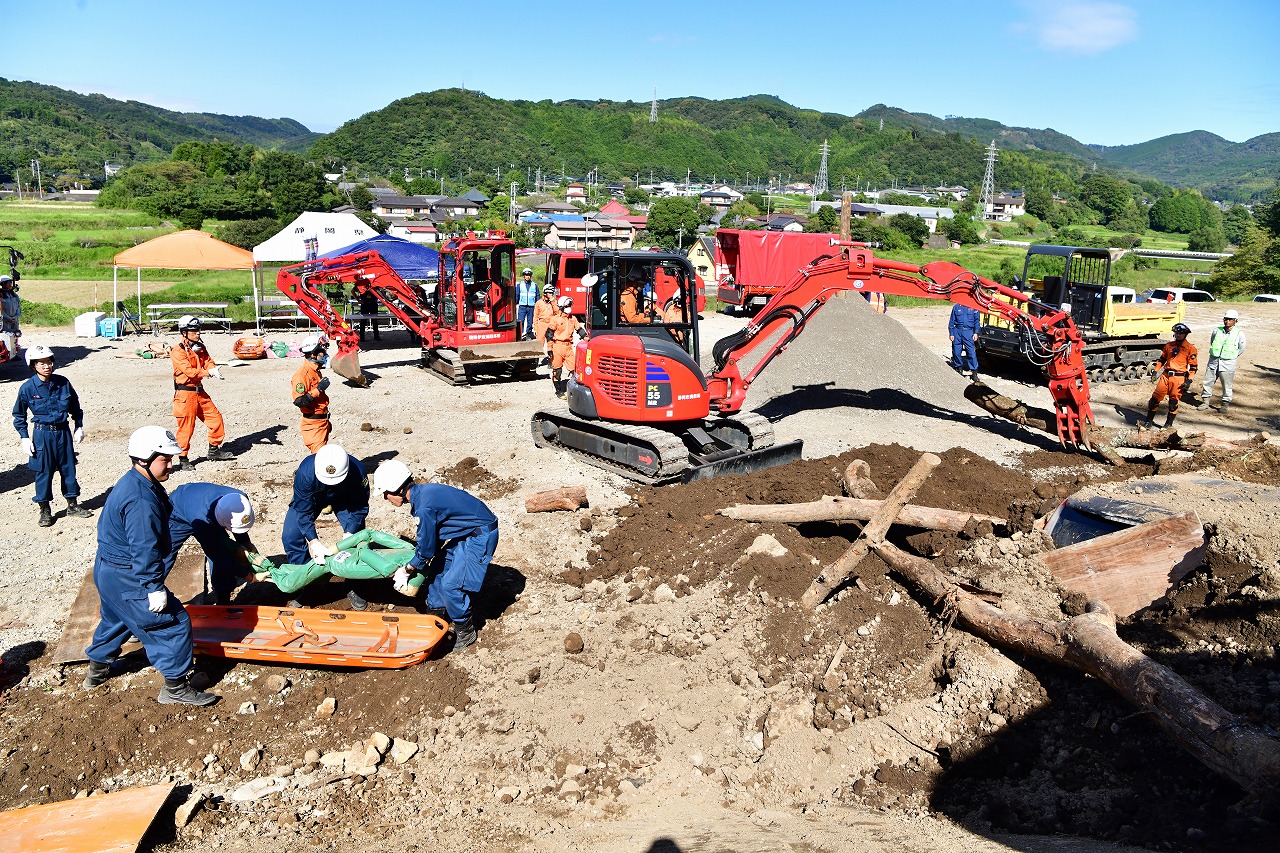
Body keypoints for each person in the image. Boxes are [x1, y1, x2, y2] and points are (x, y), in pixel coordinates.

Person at [83, 426, 218, 706]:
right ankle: (175, 688)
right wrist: (153, 587)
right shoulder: (141, 500)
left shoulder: (137, 482)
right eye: (165, 459)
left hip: (109, 570)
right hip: (129, 574)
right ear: (144, 459)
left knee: (118, 617)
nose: (171, 464)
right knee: (174, 623)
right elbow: (144, 548)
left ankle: (96, 671)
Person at [372, 459, 498, 650]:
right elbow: (432, 539)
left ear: (397, 489)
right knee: (437, 571)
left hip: (480, 534)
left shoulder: (424, 507)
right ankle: (435, 619)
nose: (385, 498)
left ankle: (466, 631)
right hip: (465, 531)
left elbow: (427, 549)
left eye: (385, 493)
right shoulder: (423, 494)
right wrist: (419, 560)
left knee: (450, 586)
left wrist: (407, 570)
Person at [281, 443, 370, 609]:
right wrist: (314, 542)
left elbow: (360, 507)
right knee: (291, 536)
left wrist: (350, 533)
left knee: (358, 539)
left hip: (345, 499)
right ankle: (308, 584)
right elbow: (302, 511)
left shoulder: (357, 471)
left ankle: (354, 585)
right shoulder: (306, 472)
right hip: (314, 497)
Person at [13, 345, 93, 527]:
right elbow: (19, 415)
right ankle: (44, 510)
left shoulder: (63, 383)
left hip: (63, 432)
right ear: (33, 365)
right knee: (44, 472)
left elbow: (75, 407)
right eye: (42, 363)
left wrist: (78, 426)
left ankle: (72, 505)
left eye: (49, 362)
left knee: (68, 469)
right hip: (42, 435)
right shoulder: (27, 388)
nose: (47, 366)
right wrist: (24, 437)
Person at [167, 484, 268, 605]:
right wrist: (251, 577)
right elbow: (218, 555)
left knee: (225, 552)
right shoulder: (204, 523)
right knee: (164, 553)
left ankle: (223, 596)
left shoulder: (240, 499)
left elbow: (238, 526)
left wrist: (246, 543)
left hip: (202, 508)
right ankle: (150, 592)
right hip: (179, 510)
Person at [171, 315, 232, 471]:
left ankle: (214, 451)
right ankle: (183, 459)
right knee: (186, 428)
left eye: (198, 330)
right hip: (185, 395)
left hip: (200, 392)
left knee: (215, 419)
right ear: (184, 332)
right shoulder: (178, 351)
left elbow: (208, 360)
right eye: (194, 330)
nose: (198, 333)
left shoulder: (200, 347)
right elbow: (190, 372)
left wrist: (213, 368)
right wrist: (208, 373)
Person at [1145, 322, 1198, 430]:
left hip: (1178, 378)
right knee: (1154, 399)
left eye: (1180, 333)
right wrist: (1155, 371)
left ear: (1185, 335)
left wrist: (1189, 381)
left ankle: (1168, 425)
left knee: (1173, 402)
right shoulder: (1169, 346)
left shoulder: (1190, 349)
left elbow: (1193, 367)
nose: (1178, 335)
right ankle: (1148, 421)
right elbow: (1162, 359)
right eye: (1176, 333)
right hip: (1165, 376)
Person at [1198, 308, 1246, 414]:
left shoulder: (1239, 334)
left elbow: (1241, 348)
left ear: (1235, 321)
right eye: (1225, 319)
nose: (1227, 321)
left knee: (1226, 384)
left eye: (1230, 319)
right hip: (1214, 361)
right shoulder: (1217, 330)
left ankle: (1225, 404)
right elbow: (1212, 341)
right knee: (1208, 381)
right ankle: (1205, 402)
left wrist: (1231, 356)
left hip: (1228, 363)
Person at [292, 334, 332, 453]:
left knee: (321, 457)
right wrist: (318, 390)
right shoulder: (302, 375)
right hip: (313, 425)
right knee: (320, 459)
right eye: (322, 352)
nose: (325, 355)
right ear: (313, 354)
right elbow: (299, 401)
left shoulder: (315, 371)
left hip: (322, 421)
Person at [545, 295, 583, 399]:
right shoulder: (556, 319)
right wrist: (549, 348)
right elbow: (549, 334)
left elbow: (580, 330)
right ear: (561, 307)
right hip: (557, 347)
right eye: (567, 306)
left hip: (568, 347)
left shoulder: (572, 319)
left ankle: (576, 390)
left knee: (574, 369)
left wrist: (587, 339)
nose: (569, 308)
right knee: (557, 370)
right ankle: (558, 391)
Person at [947, 303, 981, 381]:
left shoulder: (974, 307)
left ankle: (974, 372)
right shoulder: (957, 307)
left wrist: (976, 333)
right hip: (957, 331)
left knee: (971, 352)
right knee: (956, 351)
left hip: (969, 332)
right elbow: (951, 321)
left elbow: (977, 321)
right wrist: (951, 333)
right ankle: (958, 368)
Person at [533, 283, 558, 362]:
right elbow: (535, 316)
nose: (551, 294)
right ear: (545, 293)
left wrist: (553, 301)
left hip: (550, 325)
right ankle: (536, 361)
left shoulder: (554, 302)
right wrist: (535, 328)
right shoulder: (539, 303)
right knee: (539, 343)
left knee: (551, 343)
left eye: (552, 293)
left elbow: (557, 312)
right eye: (549, 293)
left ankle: (551, 361)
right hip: (541, 325)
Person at [516, 268, 539, 340]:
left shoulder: (534, 285)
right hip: (522, 306)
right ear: (523, 276)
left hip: (531, 306)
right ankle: (520, 334)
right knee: (521, 321)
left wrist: (537, 305)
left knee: (530, 321)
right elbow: (517, 294)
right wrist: (515, 303)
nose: (527, 276)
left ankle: (529, 333)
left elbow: (537, 295)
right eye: (526, 275)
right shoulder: (520, 285)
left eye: (529, 275)